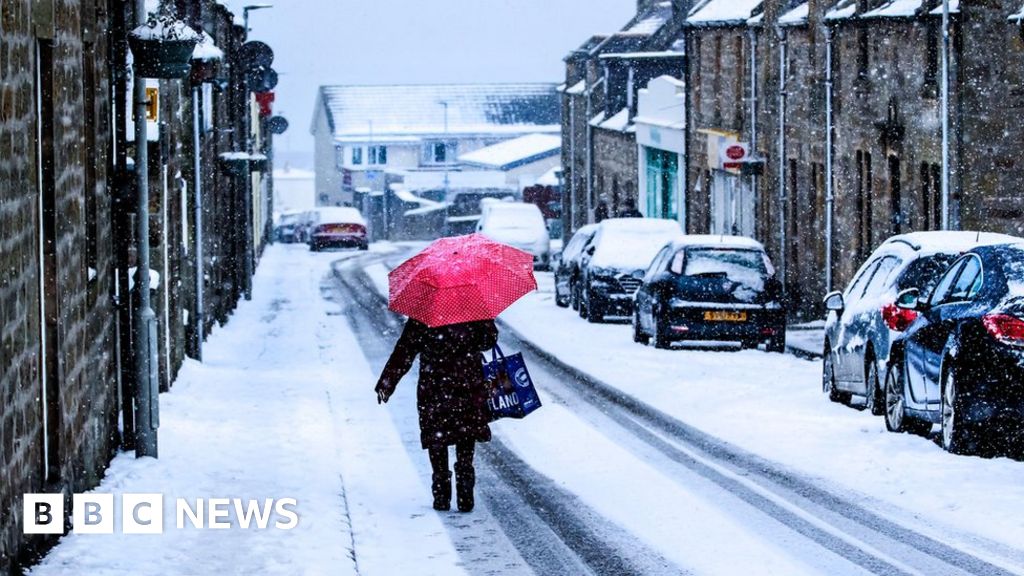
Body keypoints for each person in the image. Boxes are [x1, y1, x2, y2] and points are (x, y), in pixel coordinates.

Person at [375, 318, 499, 512]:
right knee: (466, 433)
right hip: (467, 382)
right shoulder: (471, 307)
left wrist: (387, 382)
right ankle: (465, 486)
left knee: (437, 436)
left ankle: (441, 490)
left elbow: (405, 349)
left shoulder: (425, 311)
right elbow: (488, 340)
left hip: (435, 385)